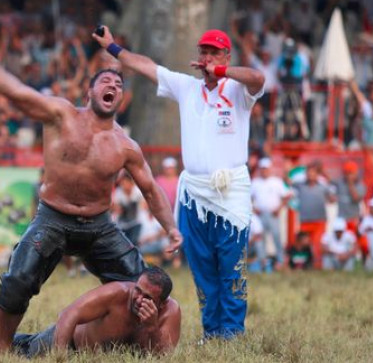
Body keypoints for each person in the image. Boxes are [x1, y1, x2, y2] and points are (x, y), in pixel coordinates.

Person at [0, 43, 182, 352]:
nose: (113, 86)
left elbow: (150, 189)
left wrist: (171, 228)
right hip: (53, 217)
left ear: (121, 100)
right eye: (105, 82)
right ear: (88, 94)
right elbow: (18, 94)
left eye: (118, 85)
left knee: (144, 287)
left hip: (99, 226)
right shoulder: (60, 115)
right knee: (18, 279)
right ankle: (3, 344)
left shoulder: (125, 145)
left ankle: (130, 341)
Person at [93, 26, 263, 339]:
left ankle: (233, 333)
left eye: (214, 52)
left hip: (230, 193)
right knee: (202, 268)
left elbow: (258, 78)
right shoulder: (186, 87)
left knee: (230, 266)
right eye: (204, 52)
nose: (207, 57)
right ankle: (212, 332)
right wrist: (114, 48)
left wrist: (222, 71)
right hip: (194, 194)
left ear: (226, 56)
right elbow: (145, 66)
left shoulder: (237, 90)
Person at [7, 267, 181, 358]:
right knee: (20, 350)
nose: (138, 299)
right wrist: (59, 358)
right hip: (67, 343)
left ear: (161, 304)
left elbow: (163, 356)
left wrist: (152, 328)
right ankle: (2, 341)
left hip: (98, 356)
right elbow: (68, 314)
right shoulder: (117, 292)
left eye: (147, 297)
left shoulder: (171, 312)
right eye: (138, 290)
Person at [251, 158, 291, 269]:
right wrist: (254, 209)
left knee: (277, 237)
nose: (264, 171)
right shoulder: (255, 182)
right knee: (261, 238)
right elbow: (248, 198)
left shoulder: (276, 181)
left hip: (273, 214)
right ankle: (263, 262)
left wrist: (279, 209)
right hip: (260, 214)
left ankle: (281, 260)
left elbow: (286, 196)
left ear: (270, 169)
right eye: (262, 169)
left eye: (266, 169)